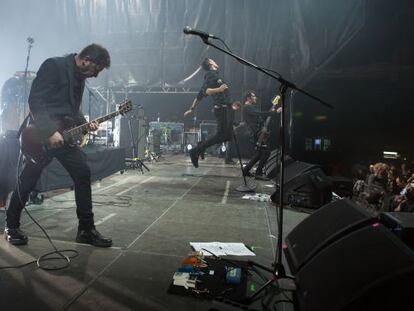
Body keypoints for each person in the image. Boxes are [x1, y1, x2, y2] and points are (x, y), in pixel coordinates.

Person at [4, 44, 112, 247]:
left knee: (82, 173)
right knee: (28, 180)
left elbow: (71, 109)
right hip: (39, 136)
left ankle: (86, 230)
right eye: (95, 70)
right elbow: (35, 100)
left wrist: (84, 124)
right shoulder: (54, 65)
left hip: (65, 136)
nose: (95, 75)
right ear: (86, 59)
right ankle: (11, 226)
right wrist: (49, 131)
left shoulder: (80, 78)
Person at [184, 58, 234, 167]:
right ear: (210, 63)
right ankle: (196, 150)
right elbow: (207, 91)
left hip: (226, 108)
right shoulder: (210, 74)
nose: (216, 61)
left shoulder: (213, 75)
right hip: (221, 108)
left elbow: (200, 95)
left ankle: (201, 146)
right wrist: (219, 90)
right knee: (221, 135)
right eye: (213, 60)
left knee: (228, 136)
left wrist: (192, 109)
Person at [241, 91, 280, 178]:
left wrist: (272, 110)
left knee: (259, 154)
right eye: (253, 96)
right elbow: (260, 114)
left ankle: (246, 170)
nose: (256, 98)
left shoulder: (250, 107)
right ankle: (258, 173)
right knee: (266, 152)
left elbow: (260, 116)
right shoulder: (247, 107)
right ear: (248, 98)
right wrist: (275, 112)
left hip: (258, 133)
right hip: (257, 133)